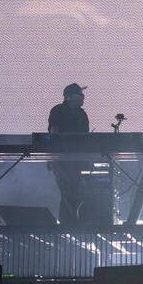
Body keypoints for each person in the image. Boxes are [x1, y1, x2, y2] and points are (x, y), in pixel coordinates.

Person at [48, 83, 91, 224]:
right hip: (60, 159)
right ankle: (70, 221)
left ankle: (68, 221)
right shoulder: (57, 111)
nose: (83, 97)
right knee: (67, 189)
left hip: (76, 160)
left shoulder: (82, 114)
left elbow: (85, 137)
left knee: (72, 189)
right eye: (80, 95)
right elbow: (53, 133)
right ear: (68, 97)